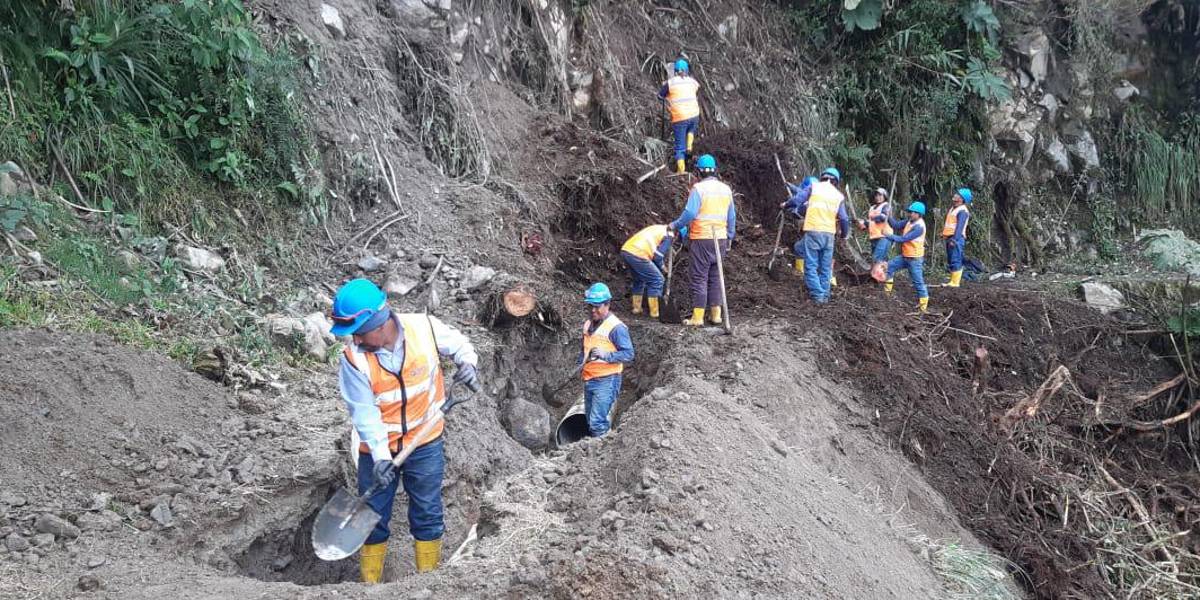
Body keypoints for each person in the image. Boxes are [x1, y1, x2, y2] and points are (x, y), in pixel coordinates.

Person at [330, 278, 480, 582]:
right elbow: (364, 412)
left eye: (358, 332)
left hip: (425, 442)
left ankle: (428, 582)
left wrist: (468, 363)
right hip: (377, 448)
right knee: (371, 517)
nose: (355, 340)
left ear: (377, 323)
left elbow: (460, 345)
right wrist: (381, 457)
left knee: (427, 512)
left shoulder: (424, 329)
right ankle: (369, 588)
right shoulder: (354, 359)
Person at [669, 154, 736, 325]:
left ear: (698, 172)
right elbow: (731, 216)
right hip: (720, 238)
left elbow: (690, 213)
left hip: (701, 238)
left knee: (699, 277)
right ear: (715, 171)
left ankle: (697, 318)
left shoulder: (699, 189)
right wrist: (730, 236)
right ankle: (716, 315)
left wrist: (676, 225)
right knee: (715, 276)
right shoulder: (726, 189)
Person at [579, 283, 635, 437]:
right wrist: (581, 365)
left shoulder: (616, 328)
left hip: (607, 380)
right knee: (590, 420)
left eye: (597, 306)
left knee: (597, 423)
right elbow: (584, 348)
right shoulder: (588, 324)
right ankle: (591, 448)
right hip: (589, 378)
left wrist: (606, 355)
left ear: (607, 305)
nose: (593, 310)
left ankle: (602, 448)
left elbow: (629, 354)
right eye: (591, 306)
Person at [789, 167, 850, 303]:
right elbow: (844, 218)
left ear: (822, 177)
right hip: (829, 235)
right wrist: (844, 235)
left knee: (810, 266)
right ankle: (825, 296)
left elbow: (797, 200)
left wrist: (786, 205)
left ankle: (818, 296)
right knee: (825, 268)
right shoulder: (838, 195)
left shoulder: (814, 187)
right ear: (836, 182)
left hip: (814, 231)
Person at [620, 224, 680, 318]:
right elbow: (658, 257)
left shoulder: (660, 228)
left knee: (639, 279)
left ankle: (636, 308)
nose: (675, 241)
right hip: (638, 254)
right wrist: (663, 267)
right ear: (677, 234)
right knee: (657, 280)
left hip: (626, 251)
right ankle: (655, 313)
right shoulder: (670, 235)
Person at [883, 202, 930, 312]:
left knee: (918, 282)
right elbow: (896, 225)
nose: (910, 214)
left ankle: (923, 308)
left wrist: (888, 235)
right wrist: (888, 215)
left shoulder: (919, 227)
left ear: (919, 214)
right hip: (905, 256)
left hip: (914, 259)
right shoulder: (909, 221)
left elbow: (904, 239)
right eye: (910, 212)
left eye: (913, 212)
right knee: (888, 268)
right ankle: (886, 295)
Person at [658, 59, 701, 174]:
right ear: (687, 70)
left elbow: (660, 96)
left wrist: (666, 91)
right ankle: (689, 147)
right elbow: (696, 88)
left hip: (680, 117)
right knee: (691, 130)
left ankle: (681, 172)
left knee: (679, 147)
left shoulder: (671, 83)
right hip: (694, 115)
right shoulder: (692, 82)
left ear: (675, 71)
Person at [780, 175, 817, 274]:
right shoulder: (821, 197)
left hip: (814, 230)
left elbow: (797, 202)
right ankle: (830, 280)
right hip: (827, 233)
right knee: (825, 262)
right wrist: (790, 185)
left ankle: (800, 273)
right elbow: (800, 192)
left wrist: (786, 205)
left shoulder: (808, 201)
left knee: (799, 248)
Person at [942, 188, 973, 288]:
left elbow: (959, 227)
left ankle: (955, 282)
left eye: (958, 194)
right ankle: (952, 280)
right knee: (951, 259)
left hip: (956, 238)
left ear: (961, 199)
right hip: (951, 237)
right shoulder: (954, 208)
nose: (955, 195)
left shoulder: (962, 211)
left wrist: (954, 240)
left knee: (955, 259)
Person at [858, 187, 893, 265]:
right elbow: (871, 222)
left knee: (876, 259)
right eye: (876, 195)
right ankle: (886, 272)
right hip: (874, 237)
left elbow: (883, 218)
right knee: (881, 260)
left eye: (880, 195)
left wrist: (870, 220)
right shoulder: (872, 208)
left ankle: (877, 272)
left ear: (885, 196)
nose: (878, 197)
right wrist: (864, 223)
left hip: (884, 237)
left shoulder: (886, 206)